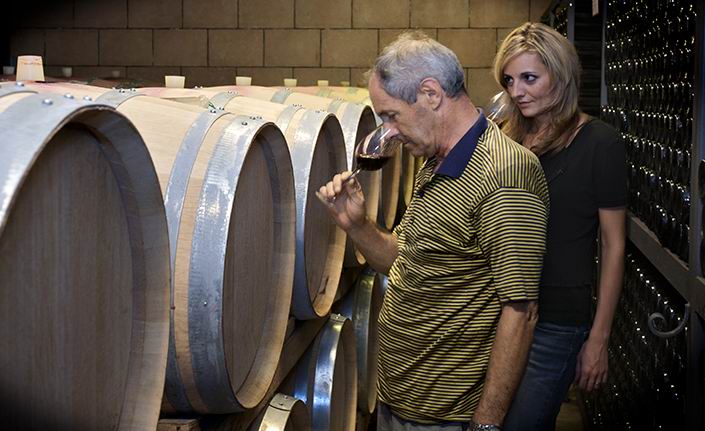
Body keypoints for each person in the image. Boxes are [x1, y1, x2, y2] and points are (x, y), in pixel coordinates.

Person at [318, 31, 550, 430]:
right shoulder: (438, 160)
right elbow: (405, 262)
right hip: (399, 399)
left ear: (430, 93)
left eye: (391, 115)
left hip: (444, 416)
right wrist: (356, 224)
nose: (389, 132)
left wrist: (487, 423)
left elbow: (521, 311)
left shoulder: (506, 174)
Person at [493, 23, 627, 431]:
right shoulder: (508, 139)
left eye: (529, 78)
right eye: (509, 80)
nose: (517, 91)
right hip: (504, 312)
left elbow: (614, 246)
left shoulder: (600, 143)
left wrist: (599, 339)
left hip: (557, 323)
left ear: (561, 75)